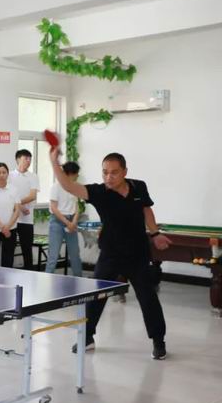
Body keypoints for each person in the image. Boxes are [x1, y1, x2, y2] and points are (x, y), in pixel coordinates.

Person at [50, 149, 171, 360]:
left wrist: (155, 233)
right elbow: (68, 186)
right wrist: (54, 161)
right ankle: (87, 337)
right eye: (105, 172)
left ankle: (158, 341)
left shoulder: (139, 187)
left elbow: (146, 210)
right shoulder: (98, 192)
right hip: (110, 254)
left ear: (125, 172)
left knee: (148, 297)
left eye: (114, 172)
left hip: (137, 254)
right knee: (95, 296)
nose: (108, 177)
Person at [45, 161, 83, 276]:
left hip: (71, 221)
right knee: (53, 256)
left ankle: (79, 279)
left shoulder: (74, 187)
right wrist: (67, 223)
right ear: (70, 173)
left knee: (75, 255)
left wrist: (74, 221)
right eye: (76, 173)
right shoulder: (56, 187)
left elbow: (77, 207)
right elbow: (54, 208)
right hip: (57, 222)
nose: (77, 176)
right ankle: (46, 280)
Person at [9, 149, 40, 270]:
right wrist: (20, 206)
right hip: (11, 219)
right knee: (9, 250)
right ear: (18, 159)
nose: (28, 161)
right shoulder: (10, 175)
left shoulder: (33, 176)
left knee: (27, 250)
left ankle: (29, 275)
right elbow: (8, 196)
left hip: (27, 219)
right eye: (25, 158)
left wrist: (17, 203)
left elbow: (32, 196)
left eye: (30, 159)